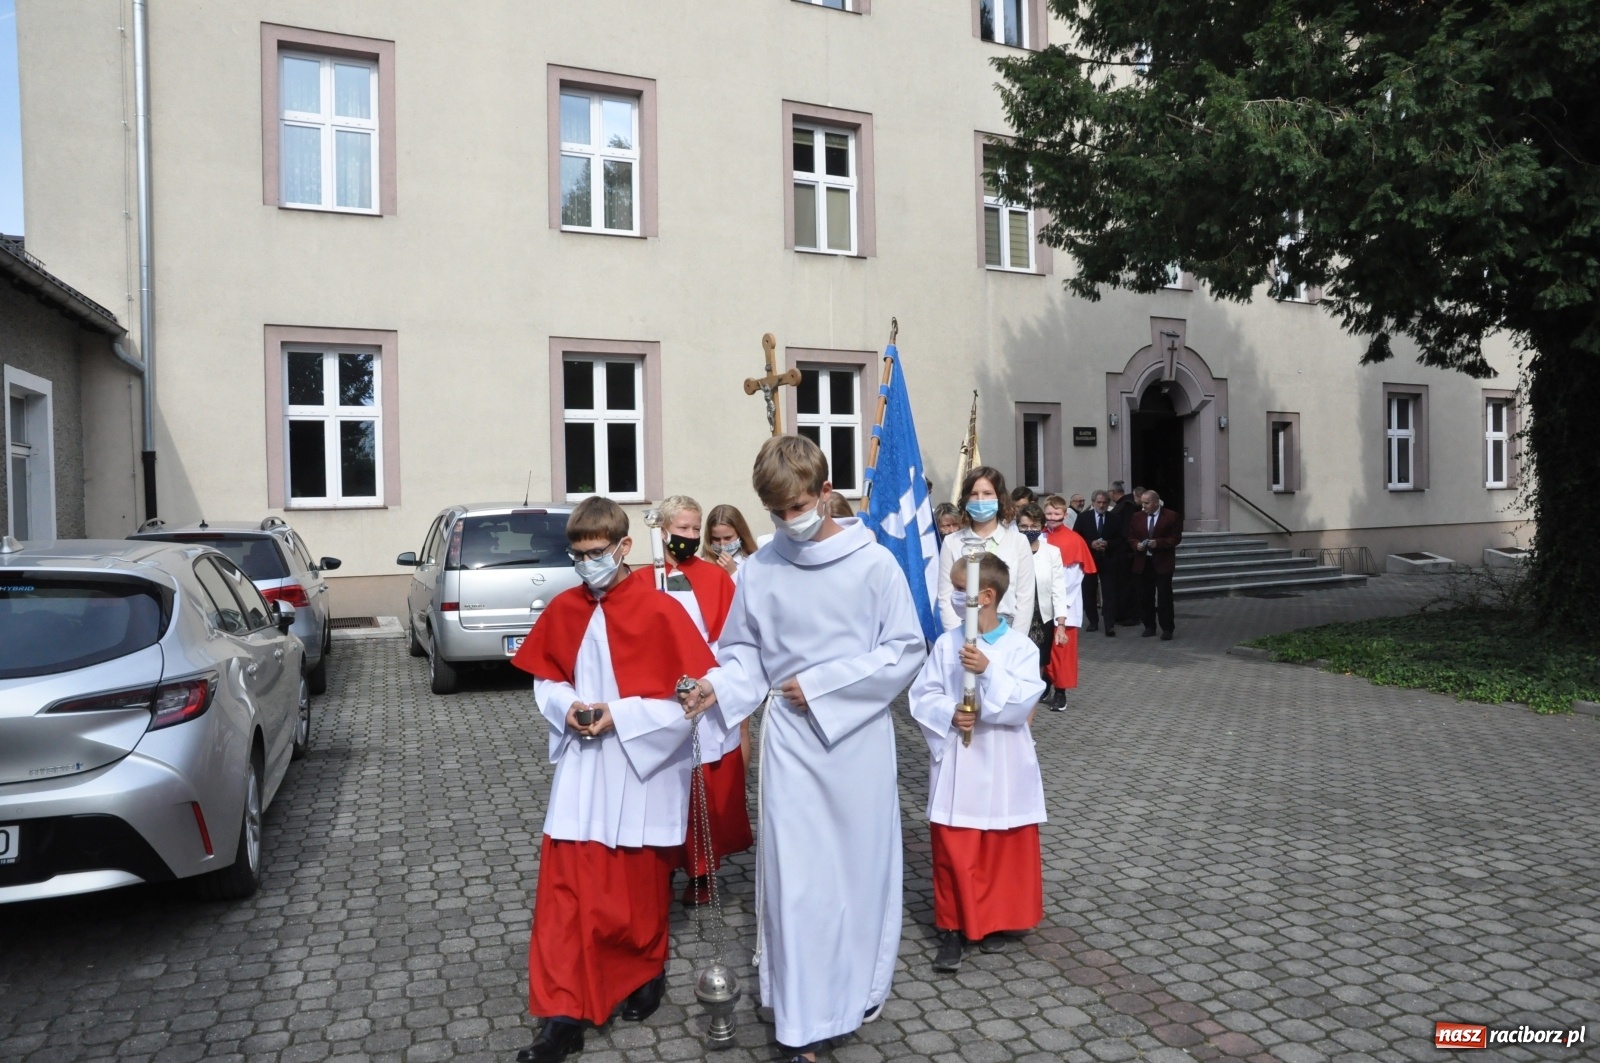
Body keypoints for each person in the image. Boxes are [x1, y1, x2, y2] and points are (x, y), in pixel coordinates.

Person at [680, 435, 926, 1063]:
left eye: (798, 507)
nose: (790, 522)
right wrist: (714, 686)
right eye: (776, 512)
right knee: (796, 883)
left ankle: (846, 997)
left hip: (857, 742)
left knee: (855, 877)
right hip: (790, 744)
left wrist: (819, 685)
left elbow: (904, 650)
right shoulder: (760, 570)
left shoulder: (874, 564)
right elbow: (744, 655)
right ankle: (799, 1026)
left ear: (822, 493)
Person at [509, 496, 721, 1063]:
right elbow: (545, 682)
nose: (585, 566)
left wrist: (621, 715)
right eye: (576, 556)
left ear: (624, 548)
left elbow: (692, 698)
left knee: (636, 893)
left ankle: (643, 971)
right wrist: (571, 705)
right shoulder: (564, 608)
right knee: (565, 897)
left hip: (641, 769)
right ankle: (562, 1014)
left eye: (595, 554)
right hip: (583, 770)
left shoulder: (662, 612)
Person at [909, 552, 1047, 972]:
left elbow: (1024, 703)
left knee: (1000, 844)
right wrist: (949, 711)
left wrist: (987, 671)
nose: (951, 597)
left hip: (1004, 759)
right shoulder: (949, 643)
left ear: (985, 597)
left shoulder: (1020, 647)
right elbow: (923, 694)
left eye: (958, 590)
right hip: (962, 759)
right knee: (958, 845)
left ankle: (997, 919)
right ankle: (953, 927)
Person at [639, 495, 752, 906]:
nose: (689, 536)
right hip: (661, 694)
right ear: (662, 531)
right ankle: (664, 862)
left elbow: (732, 637)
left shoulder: (714, 577)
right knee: (666, 783)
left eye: (694, 528)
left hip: (706, 687)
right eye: (682, 528)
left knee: (705, 785)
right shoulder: (642, 579)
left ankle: (703, 872)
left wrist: (710, 679)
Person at [937, 466, 1036, 632]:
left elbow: (1025, 599)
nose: (981, 500)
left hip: (1006, 629)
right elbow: (945, 597)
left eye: (988, 493)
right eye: (974, 494)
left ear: (999, 497)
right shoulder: (952, 542)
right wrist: (956, 638)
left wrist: (1015, 641)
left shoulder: (1018, 542)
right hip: (963, 628)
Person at [1016, 503, 1080, 711]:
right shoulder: (1009, 551)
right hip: (1014, 618)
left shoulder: (1051, 552)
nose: (1028, 530)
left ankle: (1027, 718)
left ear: (1041, 526)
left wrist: (1061, 623)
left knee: (1037, 669)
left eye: (1033, 525)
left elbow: (1058, 590)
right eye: (1023, 526)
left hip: (1041, 619)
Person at [1128, 489, 1183, 640]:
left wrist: (1157, 543)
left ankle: (1167, 628)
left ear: (1156, 503)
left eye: (1146, 503)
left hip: (1162, 562)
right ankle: (1149, 626)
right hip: (1142, 562)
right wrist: (1136, 545)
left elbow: (1175, 538)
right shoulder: (1136, 517)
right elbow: (1130, 536)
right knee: (1145, 596)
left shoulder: (1171, 516)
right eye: (1142, 503)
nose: (1143, 506)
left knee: (1164, 596)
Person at [1072, 491, 1112, 632]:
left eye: (1104, 503)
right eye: (1099, 502)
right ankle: (1093, 621)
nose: (1101, 505)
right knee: (1089, 591)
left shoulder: (1114, 518)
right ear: (1093, 502)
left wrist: (1108, 544)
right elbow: (1076, 537)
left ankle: (1109, 625)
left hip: (1108, 560)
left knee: (1109, 593)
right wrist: (1091, 543)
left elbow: (1121, 538)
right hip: (1089, 559)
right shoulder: (1084, 517)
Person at [1109, 482, 1140, 627]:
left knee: (1127, 585)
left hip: (1125, 553)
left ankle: (1130, 615)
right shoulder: (1126, 505)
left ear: (1112, 492)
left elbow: (1126, 530)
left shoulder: (1126, 506)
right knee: (1122, 585)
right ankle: (1122, 614)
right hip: (1122, 552)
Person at [702, 503, 757, 581]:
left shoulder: (752, 563)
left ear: (740, 534)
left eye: (727, 538)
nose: (722, 544)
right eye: (716, 539)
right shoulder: (703, 564)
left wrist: (733, 573)